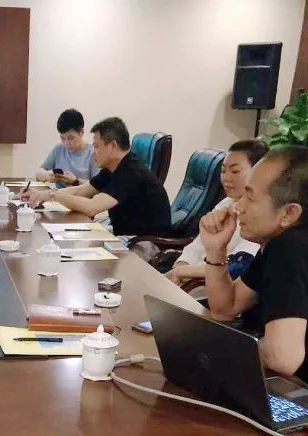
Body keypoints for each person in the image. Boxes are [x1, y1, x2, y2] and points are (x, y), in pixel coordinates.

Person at [200, 145, 308, 380]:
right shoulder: (278, 242)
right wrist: (216, 250)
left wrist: (222, 345)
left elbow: (283, 357)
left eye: (250, 196)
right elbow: (225, 309)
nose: (238, 207)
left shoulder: (290, 247)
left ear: (289, 213)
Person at [23, 117, 171, 236]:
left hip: (146, 242)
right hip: (125, 234)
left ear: (112, 146)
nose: (93, 153)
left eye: (96, 146)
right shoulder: (112, 168)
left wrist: (54, 195)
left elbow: (92, 207)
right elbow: (80, 191)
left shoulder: (130, 171)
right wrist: (43, 195)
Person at [165, 140, 267, 286]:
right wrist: (180, 268)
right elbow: (196, 247)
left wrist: (182, 273)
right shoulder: (226, 203)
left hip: (211, 288)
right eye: (223, 171)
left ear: (258, 173)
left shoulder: (261, 217)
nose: (226, 178)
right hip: (187, 281)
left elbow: (237, 267)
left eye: (235, 171)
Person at [35, 109, 99, 187]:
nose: (66, 143)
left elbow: (98, 187)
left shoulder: (93, 152)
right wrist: (47, 175)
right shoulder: (58, 148)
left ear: (81, 132)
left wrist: (75, 181)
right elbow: (38, 172)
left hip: (82, 195)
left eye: (71, 138)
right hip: (58, 194)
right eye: (62, 138)